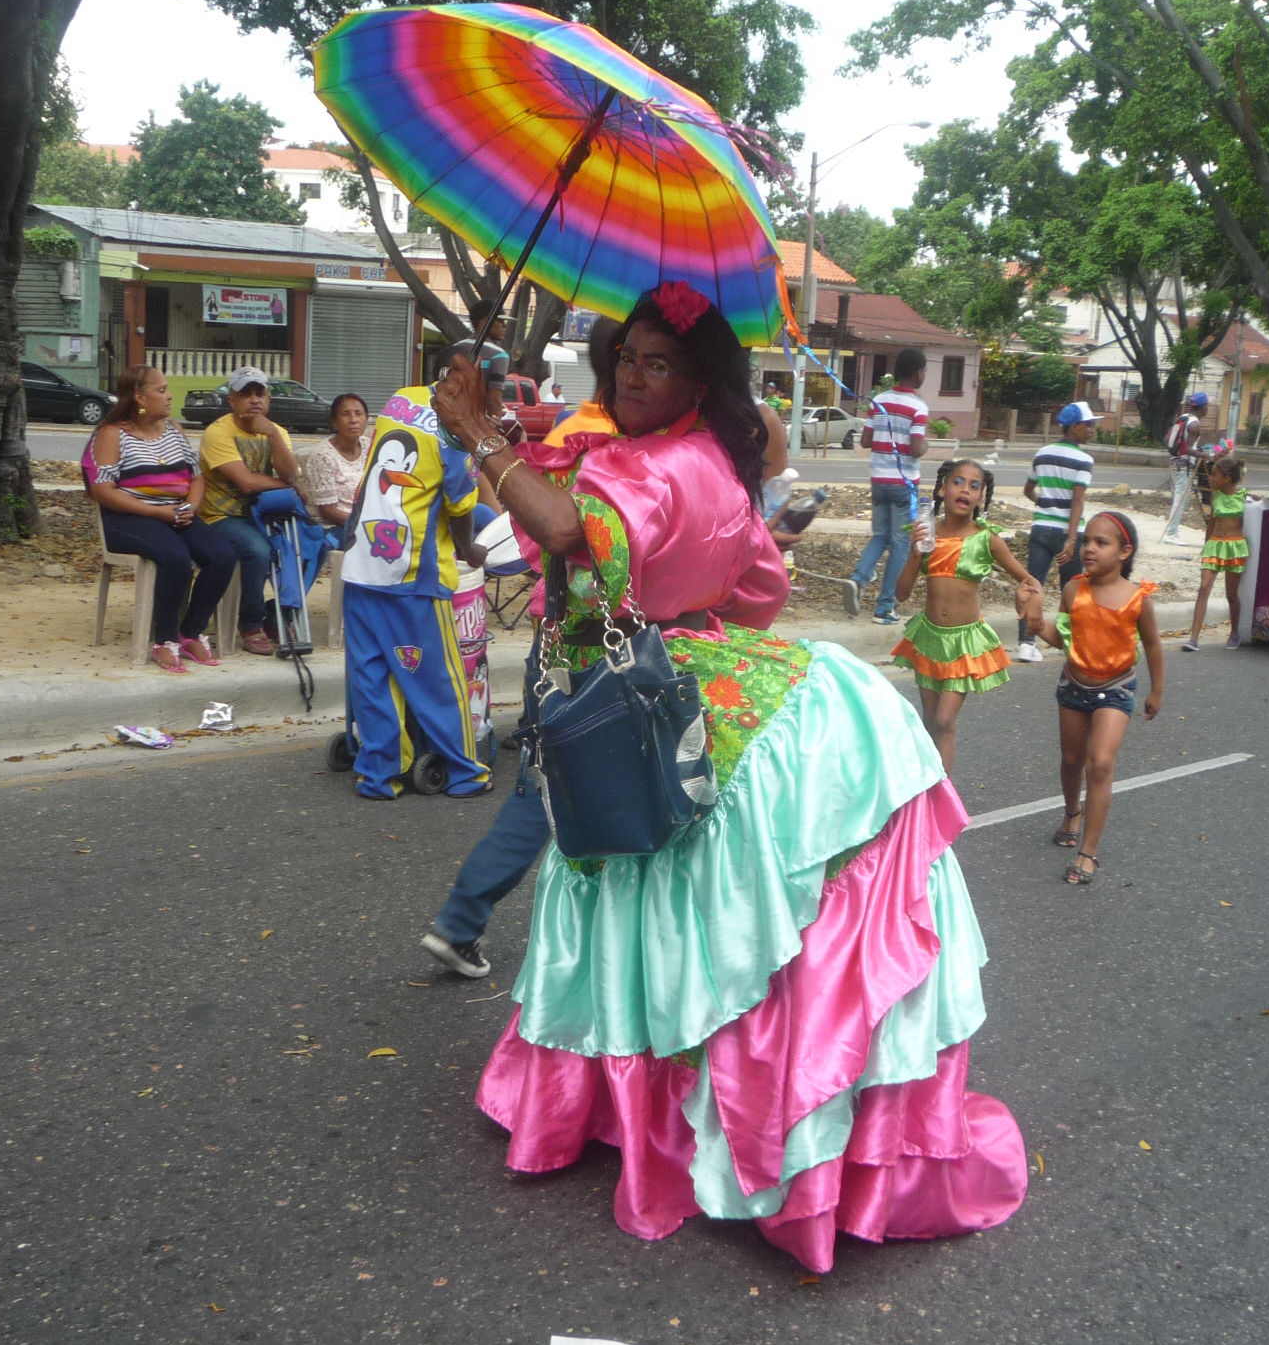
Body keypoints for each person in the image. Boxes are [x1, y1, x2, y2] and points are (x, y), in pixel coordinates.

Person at [434, 281, 1028, 1273]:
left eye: (656, 363)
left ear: (700, 380)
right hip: (730, 682)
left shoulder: (640, 470)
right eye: (625, 356)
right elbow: (757, 594)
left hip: (647, 711)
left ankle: (684, 1122)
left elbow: (576, 536)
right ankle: (745, 1114)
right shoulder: (714, 460)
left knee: (644, 905)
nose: (630, 374)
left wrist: (474, 436)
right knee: (737, 926)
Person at [416, 326, 626, 980]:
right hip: (619, 650)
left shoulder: (565, 436)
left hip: (556, 639)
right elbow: (557, 533)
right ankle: (613, 960)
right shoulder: (650, 452)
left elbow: (529, 543)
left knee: (540, 792)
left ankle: (461, 921)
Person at [341, 367, 489, 801]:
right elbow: (461, 508)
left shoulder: (401, 397)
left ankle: (379, 775)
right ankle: (466, 773)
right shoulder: (456, 431)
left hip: (360, 558)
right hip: (413, 574)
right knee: (438, 680)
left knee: (374, 678)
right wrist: (469, 551)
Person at [889, 458, 1044, 776]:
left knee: (945, 720)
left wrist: (1025, 601)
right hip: (930, 638)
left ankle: (941, 796)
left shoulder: (987, 539)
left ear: (981, 498)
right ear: (943, 488)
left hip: (964, 643)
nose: (966, 490)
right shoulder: (926, 536)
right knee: (930, 721)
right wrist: (914, 554)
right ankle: (928, 786)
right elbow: (900, 594)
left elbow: (1030, 582)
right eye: (959, 482)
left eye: (975, 486)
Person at [84, 364, 235, 673]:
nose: (169, 396)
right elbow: (103, 491)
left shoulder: (175, 431)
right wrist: (156, 512)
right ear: (140, 397)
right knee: (176, 557)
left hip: (174, 514)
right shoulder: (113, 434)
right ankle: (163, 640)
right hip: (128, 518)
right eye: (161, 390)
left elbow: (196, 478)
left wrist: (190, 507)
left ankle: (190, 632)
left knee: (222, 555)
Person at [1039, 512, 1162, 883]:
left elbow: (1154, 644)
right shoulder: (1073, 590)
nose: (1089, 548)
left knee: (1101, 764)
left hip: (1117, 688)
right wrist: (1031, 621)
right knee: (1072, 760)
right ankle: (1071, 813)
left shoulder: (1137, 598)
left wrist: (1157, 689)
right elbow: (1063, 638)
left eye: (1100, 542)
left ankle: (1088, 852)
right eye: (1085, 540)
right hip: (1073, 686)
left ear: (1125, 551)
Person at [197, 365, 305, 656]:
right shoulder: (218, 432)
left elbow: (290, 473)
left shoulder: (276, 432)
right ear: (232, 400)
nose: (254, 400)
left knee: (307, 543)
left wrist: (271, 434)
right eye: (246, 394)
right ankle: (251, 623)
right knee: (257, 550)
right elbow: (246, 482)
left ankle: (278, 613)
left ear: (269, 399)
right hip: (222, 517)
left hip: (265, 514)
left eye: (260, 393)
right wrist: (287, 483)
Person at [842, 346, 929, 625]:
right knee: (901, 545)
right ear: (918, 373)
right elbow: (916, 449)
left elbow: (866, 441)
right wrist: (925, 444)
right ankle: (884, 607)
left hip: (878, 479)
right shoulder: (918, 407)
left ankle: (858, 578)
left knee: (880, 536)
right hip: (904, 484)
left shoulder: (878, 400)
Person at [1011, 401, 1099, 662]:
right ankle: (1069, 641)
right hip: (1067, 533)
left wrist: (1043, 503)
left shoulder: (1043, 453)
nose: (1092, 430)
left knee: (1032, 585)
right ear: (1074, 428)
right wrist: (1072, 540)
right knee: (1071, 589)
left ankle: (1026, 643)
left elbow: (1028, 490)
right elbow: (1077, 501)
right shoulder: (1084, 460)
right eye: (1089, 425)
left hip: (1040, 528)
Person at [1183, 453, 1249, 651]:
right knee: (1204, 588)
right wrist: (1205, 546)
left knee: (1231, 594)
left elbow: (1252, 524)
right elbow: (1211, 523)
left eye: (1214, 475)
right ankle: (1193, 638)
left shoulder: (1244, 496)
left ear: (1227, 478)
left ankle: (1235, 633)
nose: (1211, 478)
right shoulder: (1215, 496)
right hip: (1214, 545)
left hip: (1236, 547)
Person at [301, 392, 371, 527]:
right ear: (334, 422)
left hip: (370, 522)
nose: (353, 419)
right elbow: (328, 511)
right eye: (346, 414)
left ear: (366, 420)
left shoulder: (370, 446)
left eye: (358, 413)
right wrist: (364, 525)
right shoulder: (323, 456)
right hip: (338, 527)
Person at [1161, 393, 1206, 544]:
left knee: (1183, 498)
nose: (1208, 409)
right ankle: (1171, 534)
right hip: (1183, 464)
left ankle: (1172, 531)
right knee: (1180, 498)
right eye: (1207, 406)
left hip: (1175, 463)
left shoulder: (1183, 418)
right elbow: (1187, 449)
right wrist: (1205, 455)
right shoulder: (1195, 425)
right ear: (1203, 407)